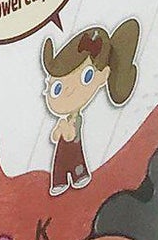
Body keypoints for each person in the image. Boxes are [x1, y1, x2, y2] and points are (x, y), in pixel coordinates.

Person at [40, 19, 140, 195]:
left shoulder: (76, 119)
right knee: (61, 165)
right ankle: (61, 180)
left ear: (103, 75)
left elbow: (70, 135)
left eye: (86, 76)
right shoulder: (68, 119)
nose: (69, 91)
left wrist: (64, 129)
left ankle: (77, 177)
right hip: (64, 153)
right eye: (57, 88)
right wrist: (60, 129)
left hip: (72, 151)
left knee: (75, 162)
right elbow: (56, 137)